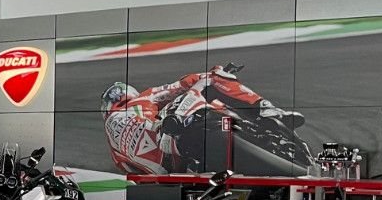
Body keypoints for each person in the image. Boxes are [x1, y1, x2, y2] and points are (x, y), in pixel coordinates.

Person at [102, 66, 302, 173]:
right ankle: (265, 108)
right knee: (212, 77)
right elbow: (181, 85)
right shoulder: (141, 100)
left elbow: (133, 175)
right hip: (170, 133)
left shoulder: (115, 154)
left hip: (173, 169)